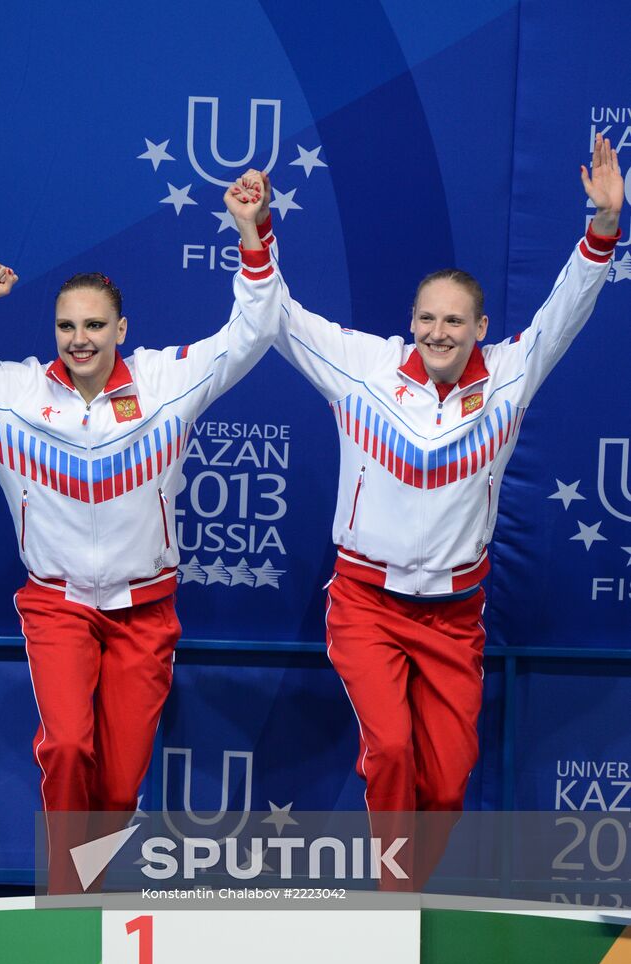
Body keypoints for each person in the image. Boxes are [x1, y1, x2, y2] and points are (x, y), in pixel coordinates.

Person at [0, 176, 278, 890]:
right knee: (68, 746)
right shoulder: (11, 396)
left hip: (144, 612)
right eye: (67, 327)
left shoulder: (166, 384)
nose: (80, 340)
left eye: (95, 326)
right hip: (59, 606)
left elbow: (252, 331)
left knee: (121, 781)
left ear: (121, 330)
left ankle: (95, 891)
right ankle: (68, 900)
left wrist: (252, 235)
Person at [243, 135, 622, 824]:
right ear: (410, 320)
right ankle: (393, 890)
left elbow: (566, 311)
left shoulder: (509, 376)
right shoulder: (364, 368)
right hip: (367, 604)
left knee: (446, 787)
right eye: (426, 317)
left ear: (480, 327)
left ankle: (408, 882)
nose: (437, 332)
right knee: (390, 750)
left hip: (453, 616)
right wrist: (256, 232)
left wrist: (603, 225)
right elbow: (279, 319)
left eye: (453, 320)